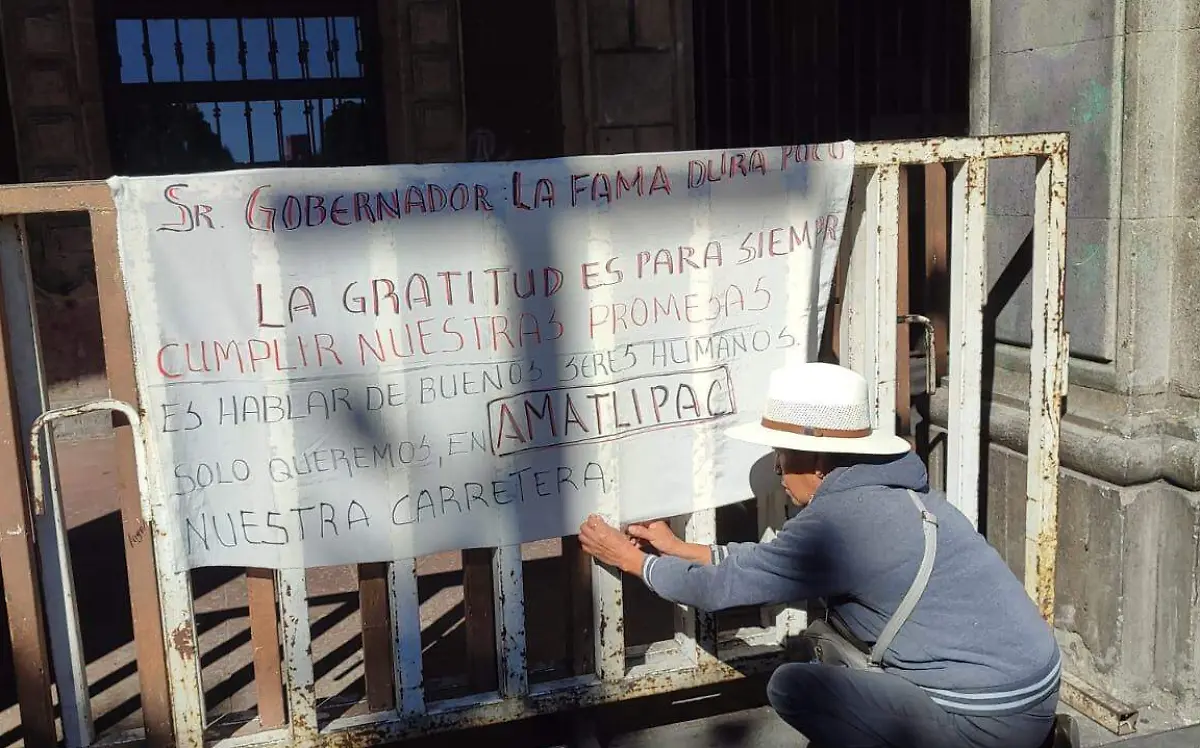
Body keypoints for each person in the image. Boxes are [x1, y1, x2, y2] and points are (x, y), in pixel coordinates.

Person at [578, 361, 1079, 748]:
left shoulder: (843, 522)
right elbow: (764, 563)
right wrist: (675, 546)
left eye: (782, 453)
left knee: (793, 686)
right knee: (834, 641)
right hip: (1032, 689)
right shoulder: (890, 494)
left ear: (816, 461)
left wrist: (632, 559)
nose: (776, 467)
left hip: (989, 719)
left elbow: (720, 589)